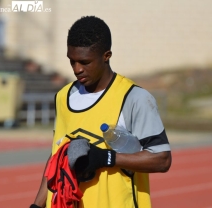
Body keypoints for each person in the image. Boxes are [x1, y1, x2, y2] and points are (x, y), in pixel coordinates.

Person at [30, 16, 172, 208]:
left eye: (84, 62)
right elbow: (56, 159)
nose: (77, 69)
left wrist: (106, 158)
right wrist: (37, 205)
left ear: (106, 55)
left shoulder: (134, 98)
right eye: (72, 61)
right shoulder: (63, 97)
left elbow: (162, 159)